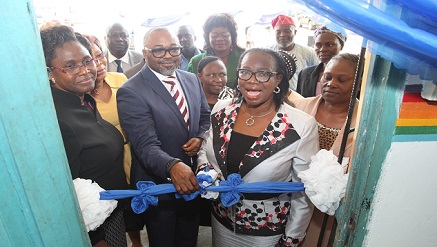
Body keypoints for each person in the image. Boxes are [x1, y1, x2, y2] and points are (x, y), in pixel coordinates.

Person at [197, 48, 320, 247]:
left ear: (278, 79)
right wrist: (206, 172)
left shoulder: (300, 125)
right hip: (221, 220)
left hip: (265, 232)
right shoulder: (222, 109)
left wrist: (291, 238)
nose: (252, 80)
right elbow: (205, 149)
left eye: (263, 73)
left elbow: (303, 192)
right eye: (245, 72)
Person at [117, 27, 211, 247]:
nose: (168, 56)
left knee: (188, 240)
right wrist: (172, 165)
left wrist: (199, 137)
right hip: (159, 189)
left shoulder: (191, 79)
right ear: (145, 53)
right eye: (159, 51)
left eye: (173, 49)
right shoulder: (131, 91)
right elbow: (145, 145)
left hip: (193, 183)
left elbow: (205, 118)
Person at [40, 25, 128, 247]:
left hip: (112, 215)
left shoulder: (85, 101)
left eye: (87, 60)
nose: (84, 70)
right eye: (70, 66)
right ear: (49, 72)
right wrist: (96, 241)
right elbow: (65, 194)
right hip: (94, 229)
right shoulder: (59, 120)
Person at [292, 53, 360, 247]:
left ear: (358, 82)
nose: (331, 83)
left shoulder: (363, 123)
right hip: (292, 199)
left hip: (326, 212)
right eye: (328, 77)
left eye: (342, 79)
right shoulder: (301, 107)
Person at [188, 13, 245, 88]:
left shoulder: (244, 59)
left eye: (225, 35)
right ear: (207, 38)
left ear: (232, 37)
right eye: (214, 35)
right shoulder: (196, 62)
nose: (219, 39)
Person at [296, 23, 348, 97]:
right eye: (318, 45)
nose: (323, 49)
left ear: (341, 45)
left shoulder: (350, 76)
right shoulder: (305, 74)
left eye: (329, 45)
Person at [269, 14, 318, 91]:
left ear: (295, 32)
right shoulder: (267, 52)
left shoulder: (309, 53)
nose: (282, 35)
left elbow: (318, 74)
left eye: (287, 31)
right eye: (278, 32)